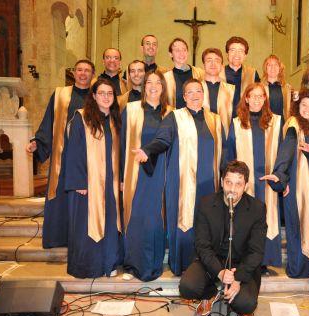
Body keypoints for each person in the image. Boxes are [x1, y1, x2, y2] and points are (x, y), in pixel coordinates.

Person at [134, 78, 223, 276]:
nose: (194, 96)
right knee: (184, 221)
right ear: (184, 97)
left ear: (203, 94)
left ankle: (208, 265)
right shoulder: (175, 117)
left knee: (208, 223)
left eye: (198, 91)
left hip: (209, 184)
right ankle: (183, 264)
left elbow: (223, 152)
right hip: (181, 181)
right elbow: (162, 139)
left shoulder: (215, 120)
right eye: (189, 92)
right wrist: (147, 150)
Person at [179, 160, 267, 316]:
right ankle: (211, 293)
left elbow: (256, 252)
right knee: (187, 287)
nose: (232, 189)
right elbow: (202, 245)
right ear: (221, 182)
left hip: (241, 263)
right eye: (228, 182)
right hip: (213, 261)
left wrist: (238, 278)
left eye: (238, 184)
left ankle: (234, 296)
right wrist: (219, 272)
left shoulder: (257, 209)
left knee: (245, 304)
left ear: (246, 185)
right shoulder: (206, 204)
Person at [26, 59, 95, 249]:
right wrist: (38, 142)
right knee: (61, 196)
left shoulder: (97, 95)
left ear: (92, 74)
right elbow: (49, 121)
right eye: (79, 70)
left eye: (87, 71)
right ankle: (59, 238)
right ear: (74, 73)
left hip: (88, 158)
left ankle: (82, 239)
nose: (82, 73)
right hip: (63, 156)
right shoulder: (60, 94)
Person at [261, 89, 309, 278]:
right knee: (300, 223)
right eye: (304, 105)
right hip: (299, 181)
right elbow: (288, 148)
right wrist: (280, 173)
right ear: (298, 106)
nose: (308, 109)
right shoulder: (293, 124)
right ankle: (300, 267)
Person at [64, 78, 122, 279]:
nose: (106, 97)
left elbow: (120, 153)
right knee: (87, 224)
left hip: (110, 182)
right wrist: (78, 181)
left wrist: (121, 178)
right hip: (88, 183)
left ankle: (109, 262)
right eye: (102, 93)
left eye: (110, 93)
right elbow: (73, 151)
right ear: (94, 96)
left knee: (110, 221)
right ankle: (89, 266)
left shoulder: (115, 120)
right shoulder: (82, 118)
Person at [120, 70, 172, 281]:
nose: (153, 86)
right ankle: (134, 264)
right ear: (143, 86)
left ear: (163, 87)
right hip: (135, 173)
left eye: (157, 82)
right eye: (149, 82)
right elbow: (122, 143)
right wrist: (121, 177)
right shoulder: (131, 110)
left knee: (155, 220)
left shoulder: (171, 113)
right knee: (136, 218)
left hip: (161, 173)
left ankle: (153, 265)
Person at [225, 83, 283, 269]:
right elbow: (229, 153)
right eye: (253, 96)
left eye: (261, 96)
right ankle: (244, 261)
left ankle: (265, 261)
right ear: (246, 99)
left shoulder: (276, 121)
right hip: (245, 182)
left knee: (267, 218)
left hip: (268, 181)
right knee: (245, 220)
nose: (257, 99)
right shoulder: (236, 123)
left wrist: (283, 177)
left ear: (265, 99)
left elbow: (283, 152)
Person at [201, 48, 235, 135]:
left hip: (225, 139)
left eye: (217, 60)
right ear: (203, 65)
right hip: (201, 137)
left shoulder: (231, 89)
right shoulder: (195, 88)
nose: (213, 64)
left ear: (222, 65)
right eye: (209, 60)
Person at [163, 38, 204, 109]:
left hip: (197, 117)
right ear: (170, 54)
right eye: (177, 50)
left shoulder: (200, 73)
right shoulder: (165, 78)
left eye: (184, 50)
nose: (181, 53)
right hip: (175, 117)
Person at [220, 36, 260, 109]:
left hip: (246, 116)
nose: (236, 54)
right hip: (222, 116)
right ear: (227, 54)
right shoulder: (218, 72)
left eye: (241, 51)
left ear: (245, 55)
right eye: (233, 50)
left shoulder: (252, 73)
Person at [261, 55, 292, 121]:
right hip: (265, 124)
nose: (273, 67)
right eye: (269, 65)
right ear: (265, 68)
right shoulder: (259, 88)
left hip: (282, 124)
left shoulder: (287, 88)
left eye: (276, 65)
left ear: (280, 68)